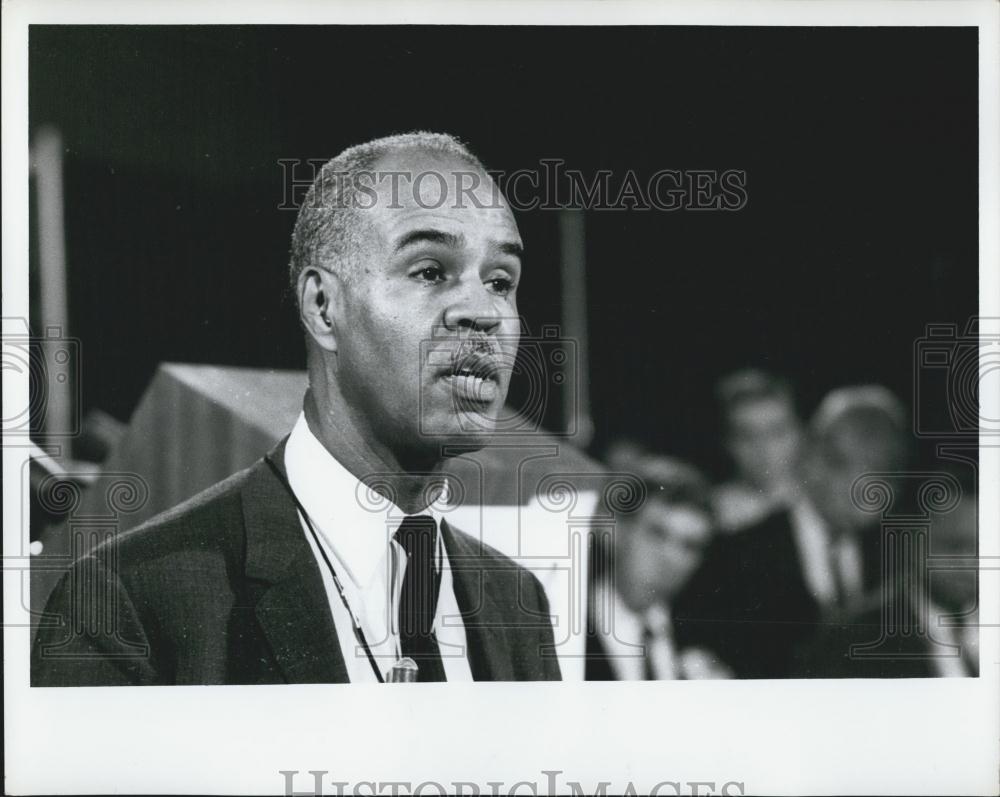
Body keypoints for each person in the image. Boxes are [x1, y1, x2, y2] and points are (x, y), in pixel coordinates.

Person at [32, 132, 561, 685]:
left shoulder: (517, 602)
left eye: (501, 281)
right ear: (323, 306)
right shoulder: (129, 603)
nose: (484, 312)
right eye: (430, 271)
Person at [675, 385, 913, 678]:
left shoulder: (897, 560)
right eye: (863, 465)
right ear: (814, 460)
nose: (880, 488)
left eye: (889, 468)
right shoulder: (738, 553)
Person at [586, 454, 733, 680]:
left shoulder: (708, 640)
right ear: (614, 531)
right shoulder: (566, 625)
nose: (671, 558)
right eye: (657, 533)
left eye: (690, 546)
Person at [711, 369, 804, 533]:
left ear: (799, 433)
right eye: (747, 437)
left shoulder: (822, 506)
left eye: (776, 432)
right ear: (727, 443)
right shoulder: (712, 514)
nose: (763, 449)